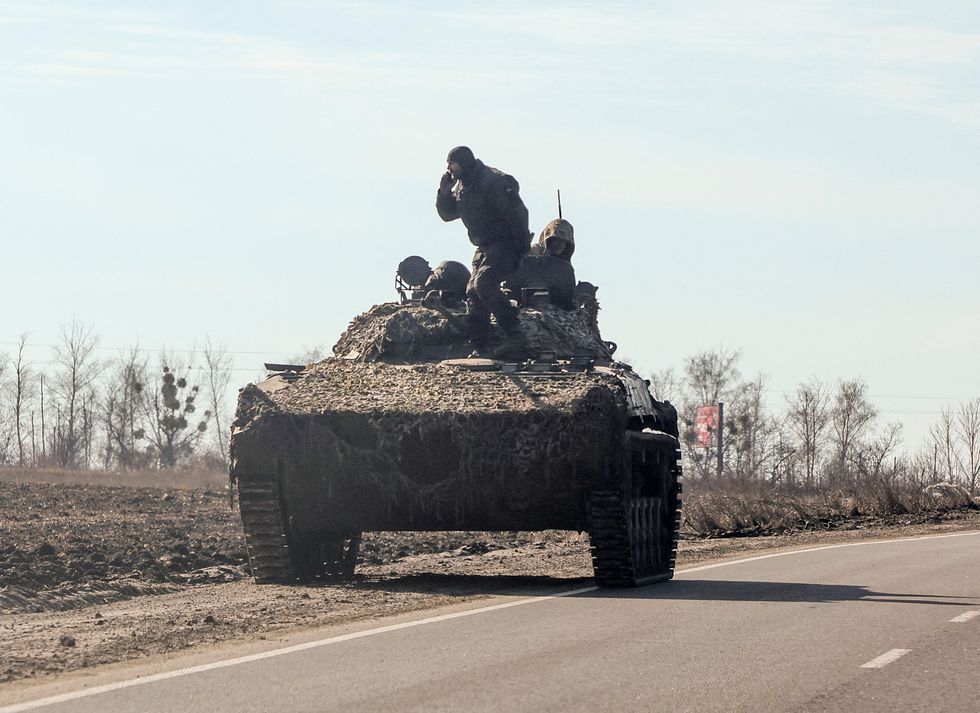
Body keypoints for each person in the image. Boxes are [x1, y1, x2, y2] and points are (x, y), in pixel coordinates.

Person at [436, 146, 532, 355]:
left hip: (506, 242)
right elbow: (448, 214)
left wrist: (522, 248)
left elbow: (517, 214)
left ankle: (515, 334)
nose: (449, 168)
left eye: (452, 163)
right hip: (484, 246)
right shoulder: (463, 186)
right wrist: (444, 193)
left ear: (464, 162)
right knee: (473, 291)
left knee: (484, 283)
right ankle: (481, 344)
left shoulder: (493, 181)